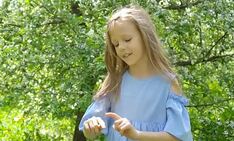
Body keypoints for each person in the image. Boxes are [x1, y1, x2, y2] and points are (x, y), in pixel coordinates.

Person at [79, 4, 193, 141]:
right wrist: (90, 127)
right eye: (116, 44)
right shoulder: (115, 81)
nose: (121, 47)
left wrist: (136, 135)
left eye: (127, 40)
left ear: (145, 36)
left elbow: (179, 137)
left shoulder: (167, 84)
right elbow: (90, 133)